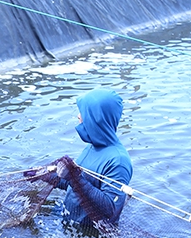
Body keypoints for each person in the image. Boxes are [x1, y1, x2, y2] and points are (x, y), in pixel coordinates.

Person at [29, 88, 133, 227]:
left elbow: (110, 208)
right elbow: (73, 184)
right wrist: (45, 175)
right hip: (69, 222)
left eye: (84, 113)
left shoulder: (118, 161)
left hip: (90, 235)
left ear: (97, 119)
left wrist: (74, 177)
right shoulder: (91, 147)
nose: (78, 116)